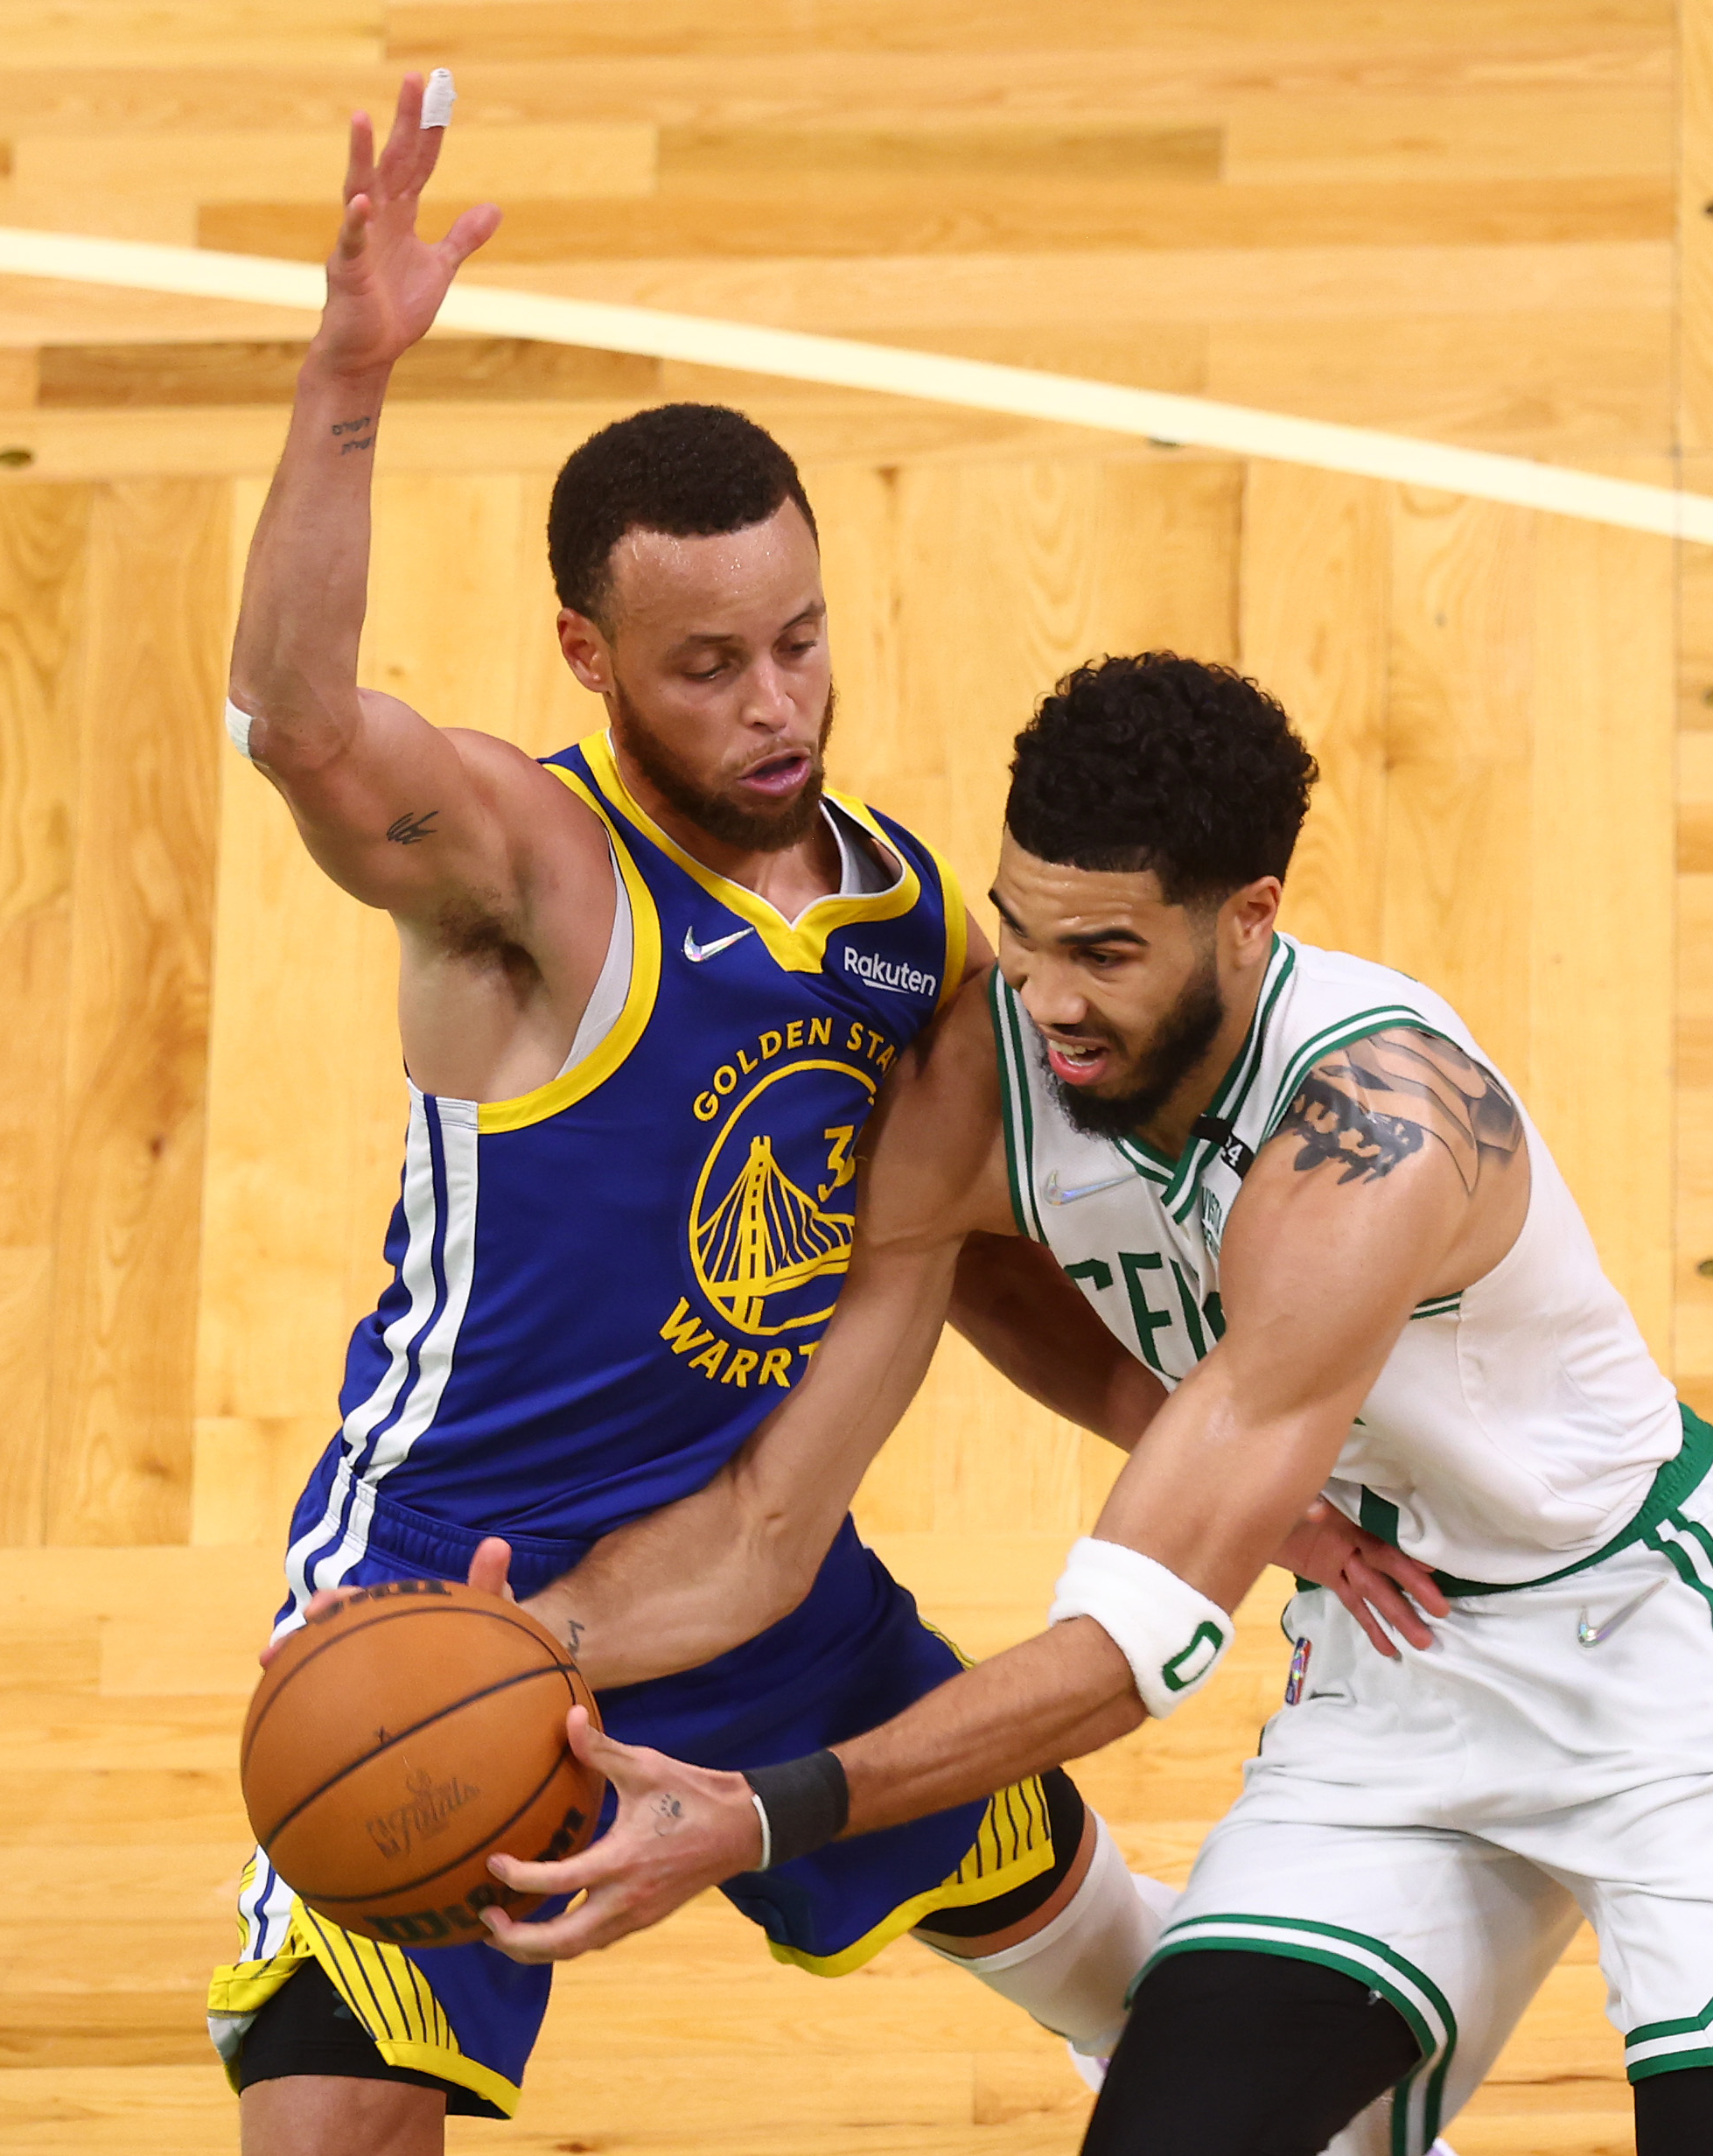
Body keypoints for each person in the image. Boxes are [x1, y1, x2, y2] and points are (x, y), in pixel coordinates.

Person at [206, 77, 1433, 2156]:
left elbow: (969, 1251)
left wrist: (1214, 1459)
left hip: (759, 1556)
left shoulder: (899, 925)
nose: (771, 705)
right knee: (332, 2128)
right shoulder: (530, 878)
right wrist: (345, 382)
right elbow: (302, 722)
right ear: (590, 655)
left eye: (798, 642)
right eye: (703, 667)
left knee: (1052, 1895)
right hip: (459, 1583)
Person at [487, 654, 1713, 2156]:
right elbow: (777, 1509)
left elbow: (1124, 1657)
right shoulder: (987, 1065)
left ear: (1250, 917)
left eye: (1106, 951)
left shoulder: (1378, 1134)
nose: (1048, 1000)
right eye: (1020, 936)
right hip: (1396, 1669)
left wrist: (762, 1813)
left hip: (1655, 1662)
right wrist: (519, 1649)